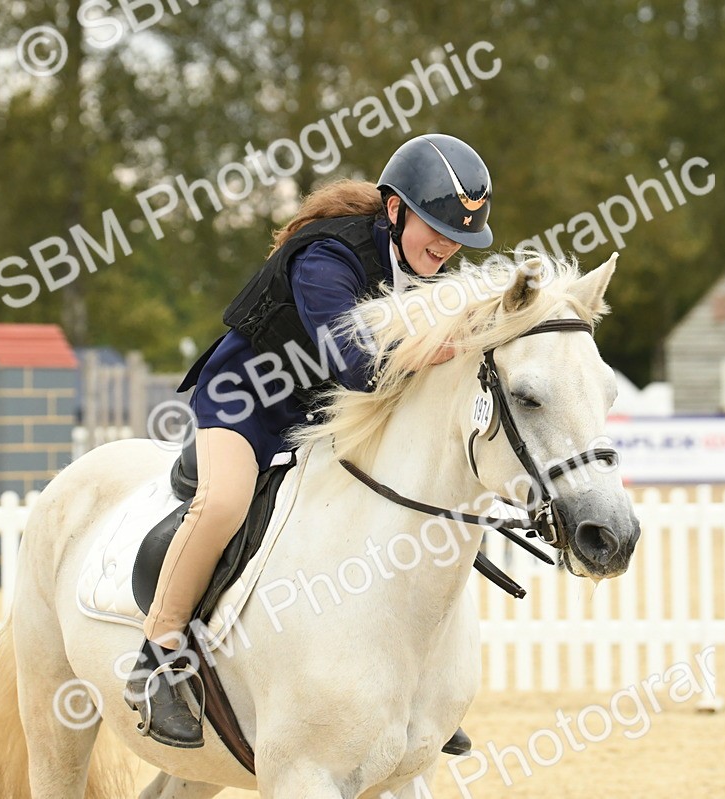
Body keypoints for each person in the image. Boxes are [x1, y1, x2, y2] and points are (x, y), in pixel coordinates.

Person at [126, 134, 494, 750]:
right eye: (436, 228)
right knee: (222, 504)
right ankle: (158, 655)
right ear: (396, 209)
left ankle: (405, 680)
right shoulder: (327, 258)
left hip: (326, 412)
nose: (447, 246)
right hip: (247, 402)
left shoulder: (423, 269)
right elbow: (356, 364)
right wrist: (433, 349)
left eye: (459, 237)